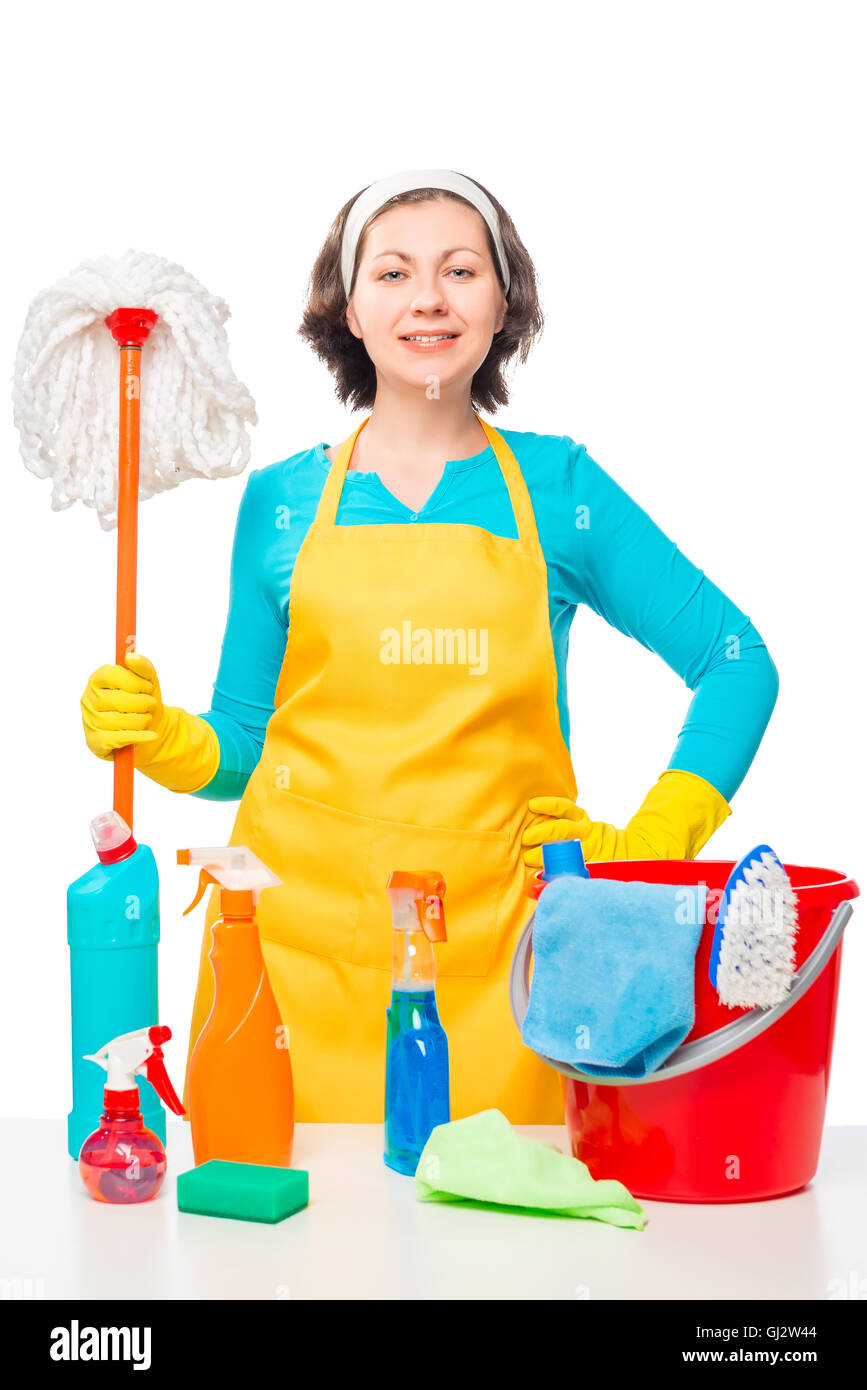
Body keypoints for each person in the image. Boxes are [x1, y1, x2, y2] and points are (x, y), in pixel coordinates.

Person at [81, 169, 779, 1123]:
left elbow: (736, 661)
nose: (428, 299)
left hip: (506, 960)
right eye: (393, 273)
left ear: (503, 304)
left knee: (493, 1244)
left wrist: (652, 843)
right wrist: (166, 738)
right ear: (350, 311)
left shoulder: (559, 490)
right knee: (292, 1249)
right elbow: (243, 746)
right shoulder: (281, 502)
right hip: (294, 958)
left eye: (460, 270)